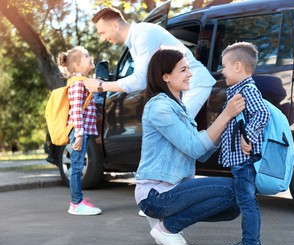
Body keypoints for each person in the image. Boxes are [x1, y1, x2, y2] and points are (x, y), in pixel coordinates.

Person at [134, 47, 245, 245]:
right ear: (165, 76)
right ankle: (167, 229)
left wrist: (228, 124)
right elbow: (195, 148)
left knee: (234, 206)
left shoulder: (178, 106)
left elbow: (200, 152)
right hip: (157, 194)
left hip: (173, 189)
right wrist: (226, 114)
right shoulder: (160, 108)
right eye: (183, 70)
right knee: (233, 190)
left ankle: (167, 225)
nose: (190, 74)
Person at [84, 7, 215, 118]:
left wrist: (101, 86)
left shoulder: (143, 34)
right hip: (183, 88)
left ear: (115, 26)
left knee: (176, 135)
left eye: (102, 32)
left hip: (194, 84)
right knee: (173, 137)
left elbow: (140, 80)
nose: (102, 38)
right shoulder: (135, 39)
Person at [218, 42, 270, 245]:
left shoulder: (247, 89)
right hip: (242, 160)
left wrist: (247, 135)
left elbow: (262, 113)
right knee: (249, 202)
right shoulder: (241, 90)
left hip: (244, 160)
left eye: (224, 67)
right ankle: (253, 244)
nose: (222, 71)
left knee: (247, 202)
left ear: (238, 66)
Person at [57, 46, 102, 216]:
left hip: (81, 131)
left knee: (77, 165)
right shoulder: (77, 84)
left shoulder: (83, 81)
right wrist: (79, 134)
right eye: (86, 55)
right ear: (76, 64)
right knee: (76, 167)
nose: (91, 57)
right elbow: (76, 110)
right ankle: (76, 203)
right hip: (78, 132)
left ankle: (79, 199)